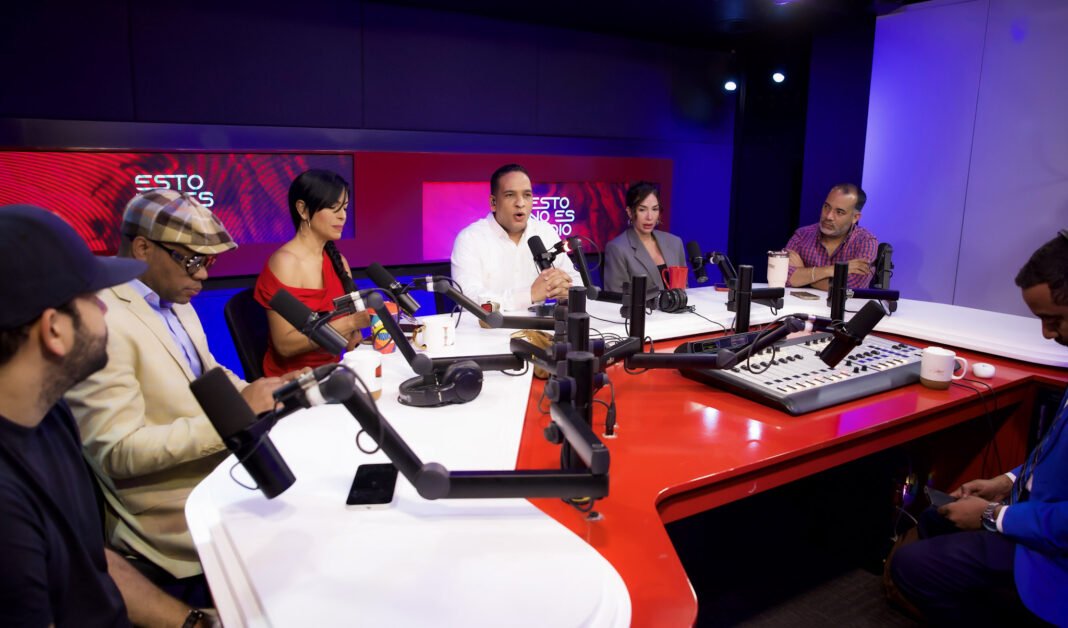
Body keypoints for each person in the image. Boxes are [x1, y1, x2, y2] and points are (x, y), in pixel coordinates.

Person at [64, 189, 297, 591]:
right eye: (192, 261)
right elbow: (118, 452)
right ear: (142, 248)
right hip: (173, 525)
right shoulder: (102, 319)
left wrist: (266, 390)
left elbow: (208, 373)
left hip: (222, 477)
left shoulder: (177, 301)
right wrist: (236, 418)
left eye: (208, 262)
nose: (203, 275)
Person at [0, 204, 215, 627]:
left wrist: (197, 622)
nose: (104, 308)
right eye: (90, 298)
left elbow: (92, 562)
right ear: (54, 329)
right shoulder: (7, 510)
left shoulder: (50, 419)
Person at [888, 231, 1068, 626]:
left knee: (911, 566)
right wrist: (1006, 481)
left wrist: (993, 516)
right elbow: (1056, 453)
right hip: (1032, 515)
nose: (1046, 334)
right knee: (935, 518)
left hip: (1054, 557)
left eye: (1054, 320)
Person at [254, 169, 369, 376]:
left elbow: (350, 336)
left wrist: (355, 335)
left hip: (334, 373)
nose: (343, 216)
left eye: (344, 208)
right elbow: (284, 345)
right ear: (303, 209)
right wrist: (349, 323)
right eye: (333, 207)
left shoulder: (339, 261)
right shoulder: (284, 263)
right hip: (294, 380)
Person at [451, 164, 581, 311]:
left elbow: (575, 281)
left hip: (541, 324)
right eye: (510, 195)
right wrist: (530, 295)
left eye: (527, 195)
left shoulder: (545, 231)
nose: (520, 203)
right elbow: (467, 300)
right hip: (490, 325)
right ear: (493, 203)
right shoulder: (469, 239)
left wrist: (565, 290)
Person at [784, 183, 878, 290]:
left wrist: (803, 275)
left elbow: (852, 287)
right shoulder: (802, 235)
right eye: (826, 207)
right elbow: (782, 276)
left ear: (855, 217)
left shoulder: (866, 241)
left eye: (839, 212)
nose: (828, 216)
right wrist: (833, 270)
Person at [603, 181, 686, 293]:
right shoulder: (617, 248)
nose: (649, 217)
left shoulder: (675, 242)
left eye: (655, 209)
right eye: (642, 209)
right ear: (630, 212)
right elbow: (616, 296)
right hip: (641, 305)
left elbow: (684, 289)